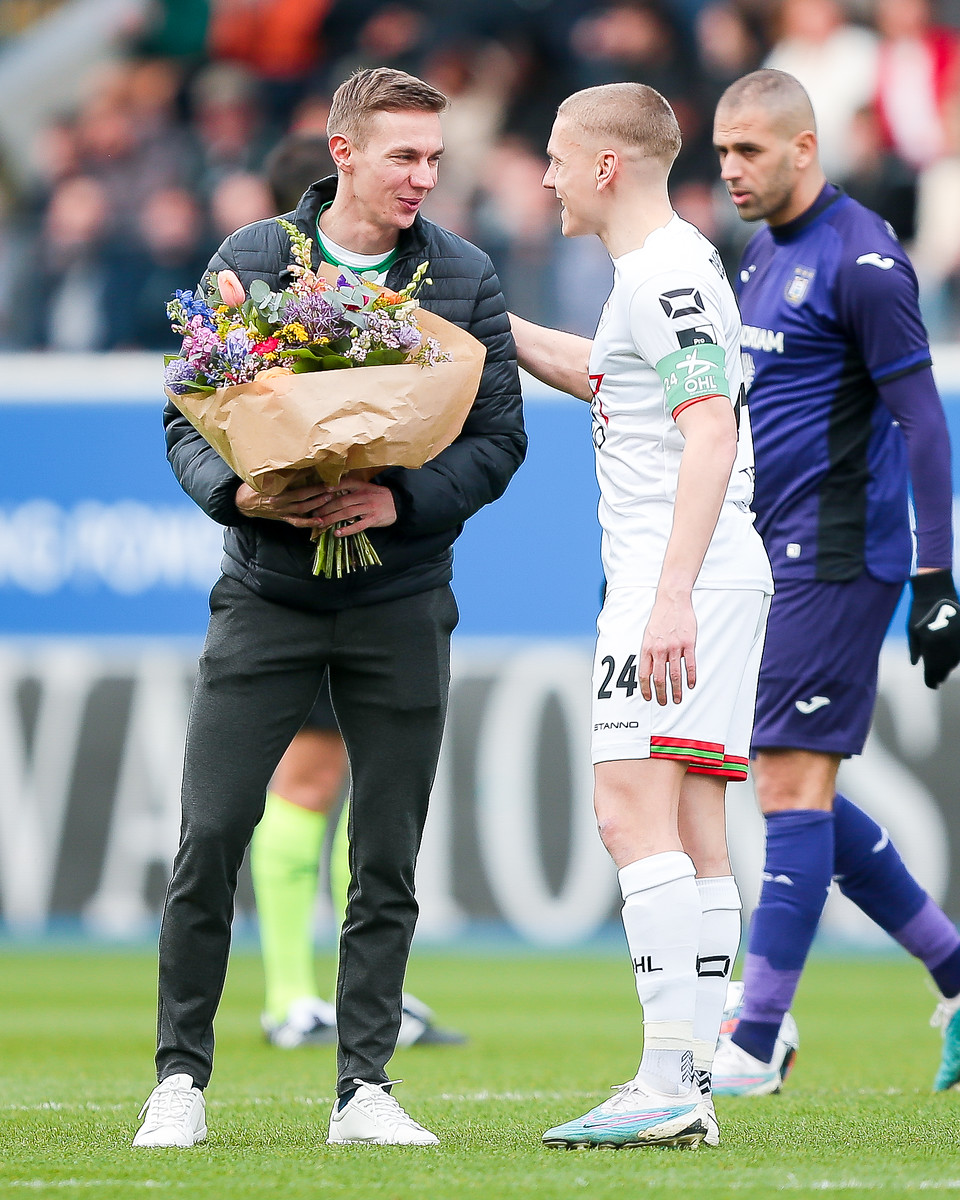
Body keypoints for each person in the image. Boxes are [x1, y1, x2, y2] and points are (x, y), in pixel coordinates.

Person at [132, 66, 525, 1149]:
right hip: (265, 595)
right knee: (211, 835)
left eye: (436, 159)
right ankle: (179, 1079)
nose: (424, 178)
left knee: (387, 852)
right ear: (343, 153)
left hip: (400, 598)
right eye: (405, 156)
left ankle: (364, 1090)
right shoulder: (251, 261)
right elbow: (184, 418)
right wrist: (238, 487)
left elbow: (500, 442)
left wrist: (393, 501)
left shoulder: (466, 273)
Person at [511, 81, 773, 1150]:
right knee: (697, 834)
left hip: (683, 580)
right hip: (709, 572)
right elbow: (611, 379)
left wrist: (665, 595)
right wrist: (491, 322)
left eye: (561, 156)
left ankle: (666, 1081)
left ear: (608, 166)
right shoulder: (665, 269)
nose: (547, 175)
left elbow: (708, 428)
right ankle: (691, 1080)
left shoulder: (662, 272)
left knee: (629, 815)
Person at [709, 67, 960, 1098]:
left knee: (790, 786)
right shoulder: (761, 251)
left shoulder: (863, 261)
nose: (730, 169)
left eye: (750, 151)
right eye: (721, 151)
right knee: (794, 784)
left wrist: (940, 576)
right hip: (772, 552)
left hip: (843, 553)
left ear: (805, 148)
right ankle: (955, 976)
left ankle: (756, 1041)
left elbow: (922, 420)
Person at [249, 131, 465, 1053]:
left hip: (384, 560)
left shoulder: (407, 287)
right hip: (303, 571)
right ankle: (291, 994)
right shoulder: (279, 290)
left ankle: (347, 993)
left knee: (357, 784)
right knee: (307, 775)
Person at [251, 674, 466, 1048]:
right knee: (312, 770)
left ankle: (367, 996)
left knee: (387, 769)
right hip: (326, 618)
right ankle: (288, 1001)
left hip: (400, 618)